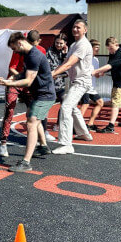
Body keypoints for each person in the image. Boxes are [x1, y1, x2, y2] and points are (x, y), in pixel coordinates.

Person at [0, 32, 56, 172]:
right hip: (40, 94)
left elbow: (28, 81)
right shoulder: (28, 54)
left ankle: (26, 163)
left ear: (19, 43)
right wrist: (12, 78)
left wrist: (8, 84)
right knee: (32, 116)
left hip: (45, 95)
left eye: (14, 49)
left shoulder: (34, 55)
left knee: (31, 122)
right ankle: (43, 146)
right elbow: (25, 73)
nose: (14, 52)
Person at [50, 19, 94, 155]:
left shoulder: (83, 45)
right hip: (75, 80)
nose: (75, 29)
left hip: (82, 81)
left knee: (66, 107)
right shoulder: (74, 44)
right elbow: (65, 62)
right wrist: (54, 72)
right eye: (74, 27)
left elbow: (70, 64)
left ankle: (66, 144)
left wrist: (54, 73)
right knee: (72, 107)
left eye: (78, 27)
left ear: (85, 30)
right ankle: (84, 134)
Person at [91, 37, 121, 133]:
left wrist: (96, 71)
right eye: (108, 48)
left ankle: (111, 126)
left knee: (115, 104)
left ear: (116, 44)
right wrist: (102, 72)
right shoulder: (115, 53)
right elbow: (111, 66)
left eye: (111, 48)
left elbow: (110, 65)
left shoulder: (119, 54)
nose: (110, 50)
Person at [45, 33, 67, 141]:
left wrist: (64, 55)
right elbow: (49, 67)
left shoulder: (64, 53)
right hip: (50, 84)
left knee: (64, 103)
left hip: (60, 84)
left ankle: (58, 124)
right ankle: (43, 129)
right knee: (47, 106)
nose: (58, 45)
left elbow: (67, 68)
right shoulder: (49, 52)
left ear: (65, 44)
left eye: (61, 43)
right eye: (57, 42)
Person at [78, 39, 104, 131]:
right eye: (96, 48)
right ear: (90, 48)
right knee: (85, 104)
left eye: (98, 48)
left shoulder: (96, 60)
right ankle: (77, 126)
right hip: (84, 85)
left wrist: (99, 74)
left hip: (92, 87)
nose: (98, 50)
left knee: (100, 102)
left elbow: (95, 74)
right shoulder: (84, 59)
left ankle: (90, 124)